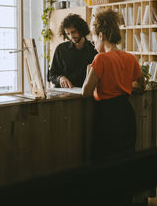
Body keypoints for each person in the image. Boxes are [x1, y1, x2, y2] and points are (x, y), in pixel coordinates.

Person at [82, 9, 145, 161]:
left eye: (94, 39)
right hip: (126, 113)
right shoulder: (130, 58)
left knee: (105, 160)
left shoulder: (101, 59)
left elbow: (86, 92)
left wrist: (88, 71)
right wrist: (124, 87)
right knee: (125, 158)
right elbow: (141, 85)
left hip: (107, 116)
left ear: (101, 35)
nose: (94, 44)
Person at [48, 14, 98, 88]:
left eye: (73, 32)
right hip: (64, 92)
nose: (71, 36)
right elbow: (51, 75)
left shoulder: (94, 49)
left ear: (81, 30)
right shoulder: (61, 49)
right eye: (68, 33)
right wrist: (60, 78)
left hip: (84, 93)